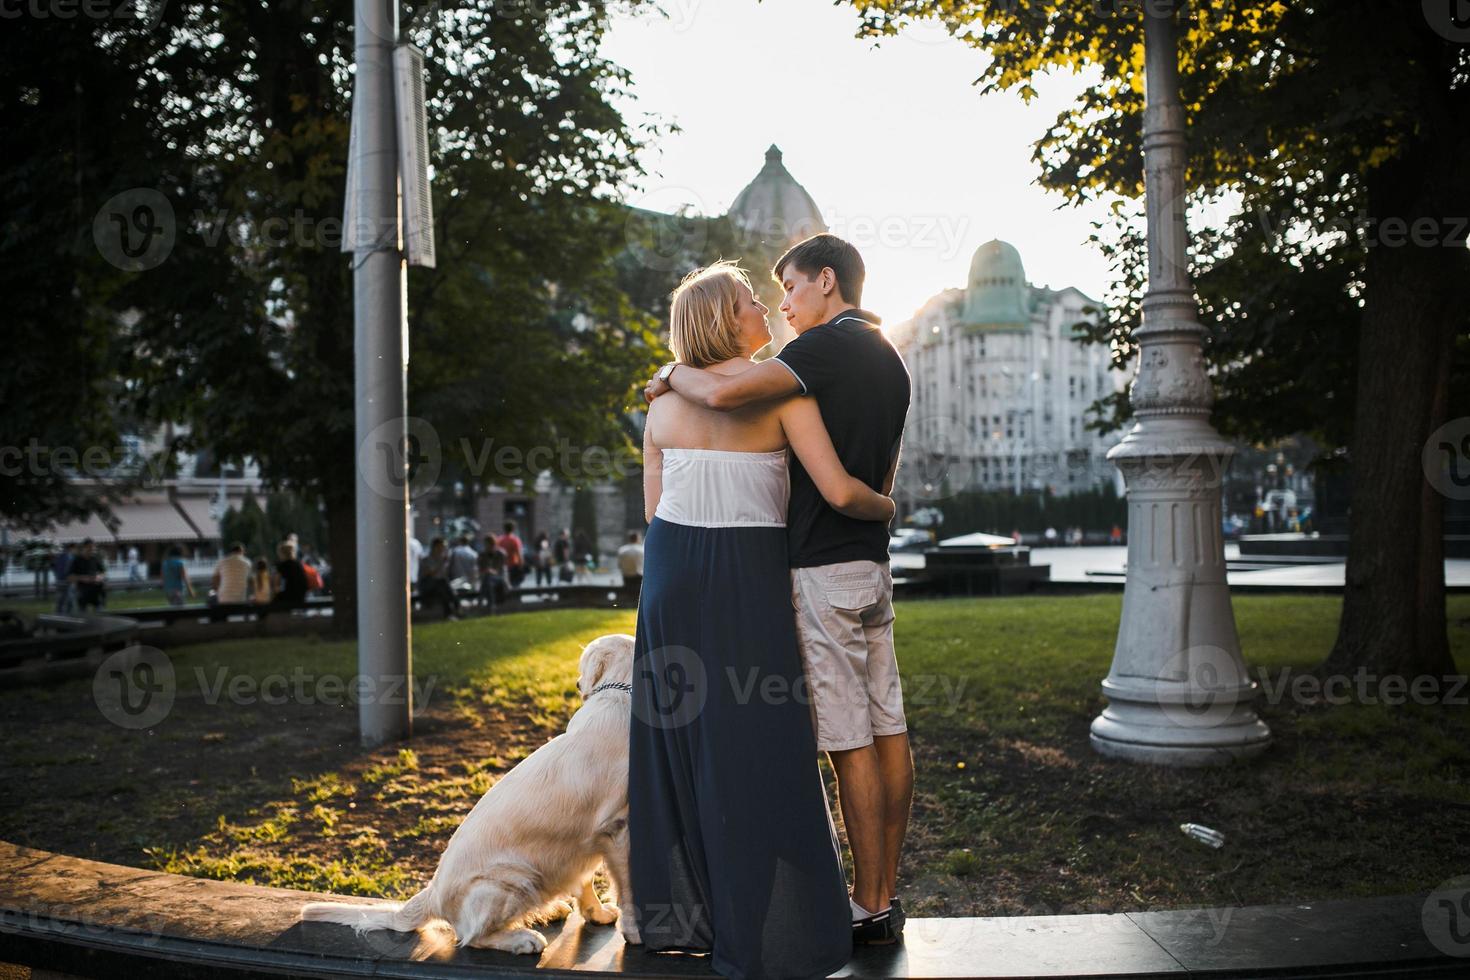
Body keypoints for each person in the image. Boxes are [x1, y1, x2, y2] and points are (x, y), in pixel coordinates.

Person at [629, 260, 897, 978]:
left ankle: (685, 919)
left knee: (680, 746)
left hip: (672, 579)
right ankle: (781, 928)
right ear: (726, 319)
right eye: (752, 301)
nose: (766, 311)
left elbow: (653, 515)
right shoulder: (786, 399)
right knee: (762, 748)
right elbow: (839, 489)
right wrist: (888, 507)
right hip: (748, 581)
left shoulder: (659, 407)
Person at [418, 537, 457, 620]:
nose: (443, 548)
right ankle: (455, 608)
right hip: (426, 585)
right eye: (442, 546)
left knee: (442, 586)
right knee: (441, 583)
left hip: (439, 586)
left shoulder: (442, 559)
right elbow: (430, 573)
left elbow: (443, 575)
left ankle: (451, 612)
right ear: (436, 546)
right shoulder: (427, 559)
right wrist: (442, 563)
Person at [69, 539, 109, 612]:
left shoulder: (95, 558)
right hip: (82, 592)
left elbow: (103, 572)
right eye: (89, 548)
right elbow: (70, 577)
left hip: (96, 591)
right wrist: (82, 578)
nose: (92, 550)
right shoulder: (77, 560)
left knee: (100, 613)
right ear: (84, 548)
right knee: (82, 615)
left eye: (93, 548)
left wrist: (99, 577)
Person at [272, 541, 309, 606]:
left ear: (281, 553)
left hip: (290, 597)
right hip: (301, 597)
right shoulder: (298, 564)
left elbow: (276, 584)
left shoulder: (282, 565)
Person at [478, 534, 508, 609]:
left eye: (487, 544)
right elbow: (480, 569)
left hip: (499, 577)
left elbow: (500, 570)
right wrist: (486, 571)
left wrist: (490, 571)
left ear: (492, 543)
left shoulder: (500, 554)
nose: (485, 546)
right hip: (487, 578)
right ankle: (491, 605)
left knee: (488, 578)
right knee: (488, 581)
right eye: (485, 544)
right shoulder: (482, 555)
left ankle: (481, 602)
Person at [497, 521, 525, 588]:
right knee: (516, 586)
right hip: (514, 566)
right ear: (513, 529)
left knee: (505, 586)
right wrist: (521, 566)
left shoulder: (499, 540)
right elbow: (519, 554)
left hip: (503, 566)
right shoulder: (515, 540)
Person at [52, 543, 76, 615]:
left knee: (60, 599)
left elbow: (54, 567)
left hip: (59, 580)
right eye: (74, 549)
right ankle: (68, 615)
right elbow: (69, 569)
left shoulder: (59, 557)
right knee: (69, 600)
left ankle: (58, 614)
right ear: (71, 548)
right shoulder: (70, 557)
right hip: (67, 581)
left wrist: (57, 576)